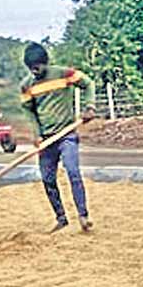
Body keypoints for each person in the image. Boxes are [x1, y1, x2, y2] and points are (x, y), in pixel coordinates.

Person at [19, 42, 97, 233]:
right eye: (31, 68)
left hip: (66, 135)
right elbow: (29, 112)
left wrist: (90, 106)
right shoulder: (27, 85)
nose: (35, 71)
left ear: (45, 62)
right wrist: (37, 134)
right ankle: (61, 218)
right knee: (47, 179)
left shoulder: (64, 74)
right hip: (46, 139)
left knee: (73, 172)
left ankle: (83, 216)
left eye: (37, 66)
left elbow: (88, 83)